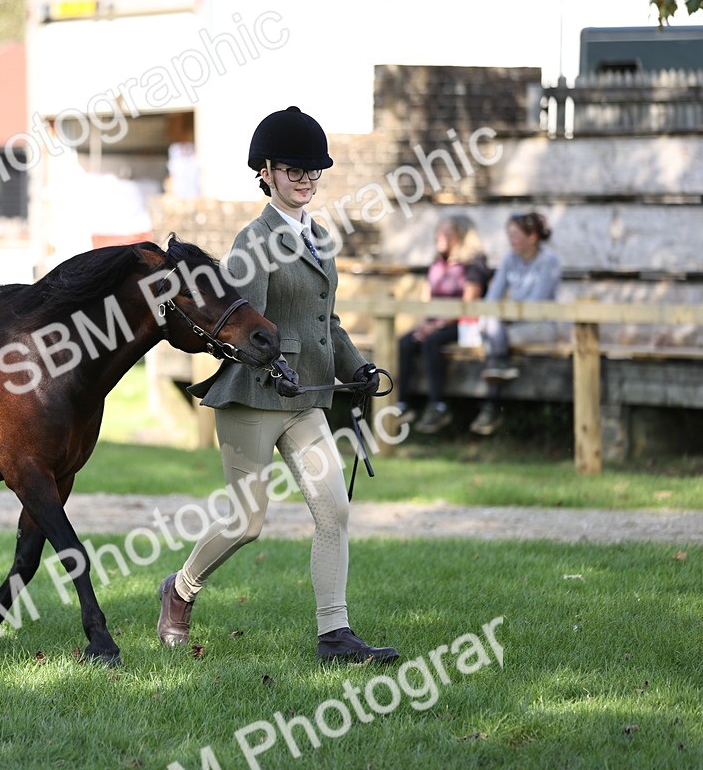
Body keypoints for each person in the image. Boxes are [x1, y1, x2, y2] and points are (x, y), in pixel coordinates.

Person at [156, 106, 398, 665]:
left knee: (333, 510)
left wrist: (355, 368)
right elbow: (248, 330)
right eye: (294, 170)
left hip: (306, 399)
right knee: (246, 523)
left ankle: (335, 635)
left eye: (313, 171)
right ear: (265, 172)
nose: (306, 180)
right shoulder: (253, 240)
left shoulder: (321, 238)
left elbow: (326, 323)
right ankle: (180, 589)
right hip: (253, 398)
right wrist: (277, 370)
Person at [395, 215, 490, 434]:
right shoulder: (437, 263)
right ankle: (402, 405)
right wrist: (423, 324)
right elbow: (426, 299)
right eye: (439, 231)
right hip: (435, 322)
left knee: (431, 342)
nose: (440, 237)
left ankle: (438, 406)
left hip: (464, 324)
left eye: (447, 233)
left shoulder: (473, 265)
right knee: (405, 342)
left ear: (462, 236)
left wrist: (436, 326)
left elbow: (468, 304)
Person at [470, 211, 561, 436]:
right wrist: (493, 316)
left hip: (540, 326)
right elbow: (493, 297)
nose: (511, 239)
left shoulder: (549, 261)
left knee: (494, 337)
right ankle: (496, 388)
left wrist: (503, 317)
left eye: (515, 234)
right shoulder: (509, 259)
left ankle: (491, 406)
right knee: (492, 330)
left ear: (532, 237)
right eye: (508, 234)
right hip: (509, 326)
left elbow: (536, 304)